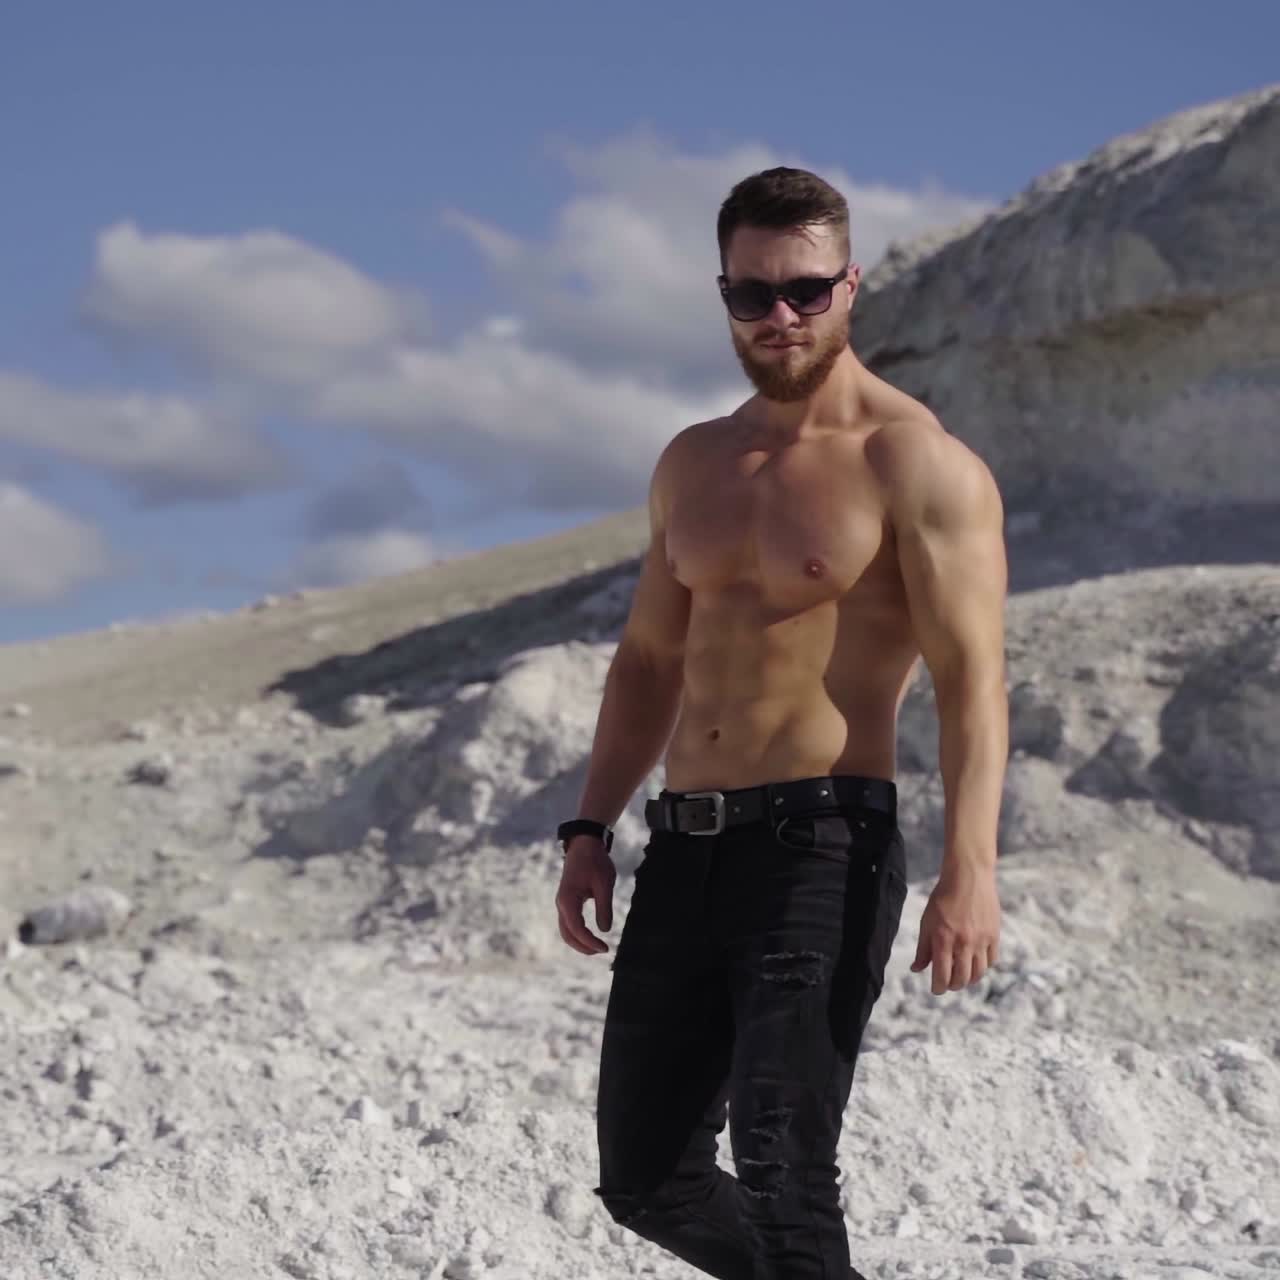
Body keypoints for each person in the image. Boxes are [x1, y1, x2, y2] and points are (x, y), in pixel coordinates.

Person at [553, 166, 1008, 1280]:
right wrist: (585, 828)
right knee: (643, 1174)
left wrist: (970, 865)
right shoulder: (693, 461)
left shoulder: (911, 460)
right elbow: (649, 658)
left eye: (805, 290)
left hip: (823, 841)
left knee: (782, 1163)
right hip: (685, 840)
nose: (780, 317)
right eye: (752, 294)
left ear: (850, 285)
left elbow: (971, 677)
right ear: (722, 293)